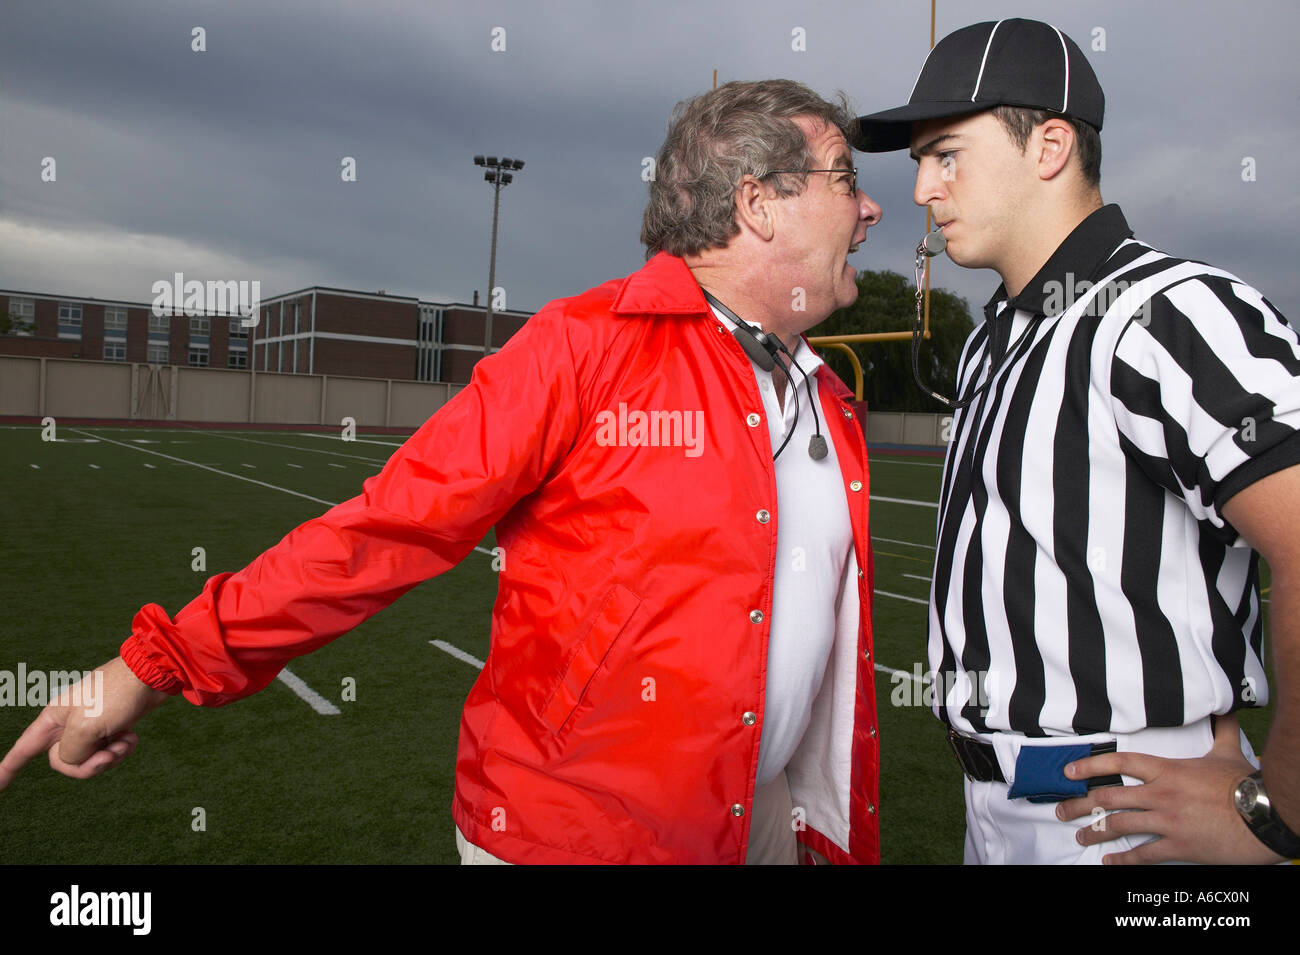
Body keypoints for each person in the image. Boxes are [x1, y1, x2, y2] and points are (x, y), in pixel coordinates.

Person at [0, 79, 886, 865]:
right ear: (759, 202)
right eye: (845, 178)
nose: (872, 208)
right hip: (578, 834)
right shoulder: (587, 346)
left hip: (757, 819)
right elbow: (389, 529)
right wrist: (155, 663)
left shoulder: (823, 394)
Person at [853, 18, 1299, 864]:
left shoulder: (1166, 312)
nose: (921, 190)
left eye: (945, 154)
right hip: (996, 803)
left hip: (1132, 811)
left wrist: (1276, 809)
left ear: (1050, 145)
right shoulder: (995, 340)